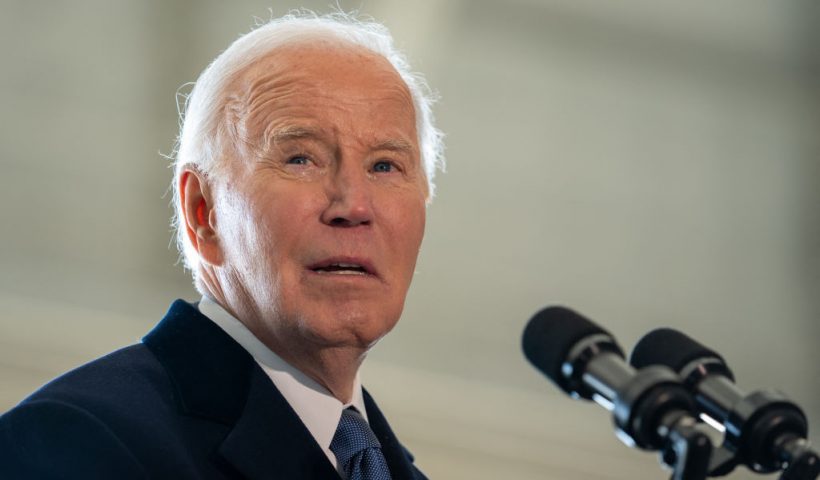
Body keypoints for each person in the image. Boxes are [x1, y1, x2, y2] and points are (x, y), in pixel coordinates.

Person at [0, 11, 444, 480]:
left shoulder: (391, 471)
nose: (353, 205)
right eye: (300, 158)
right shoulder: (74, 441)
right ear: (203, 212)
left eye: (385, 166)